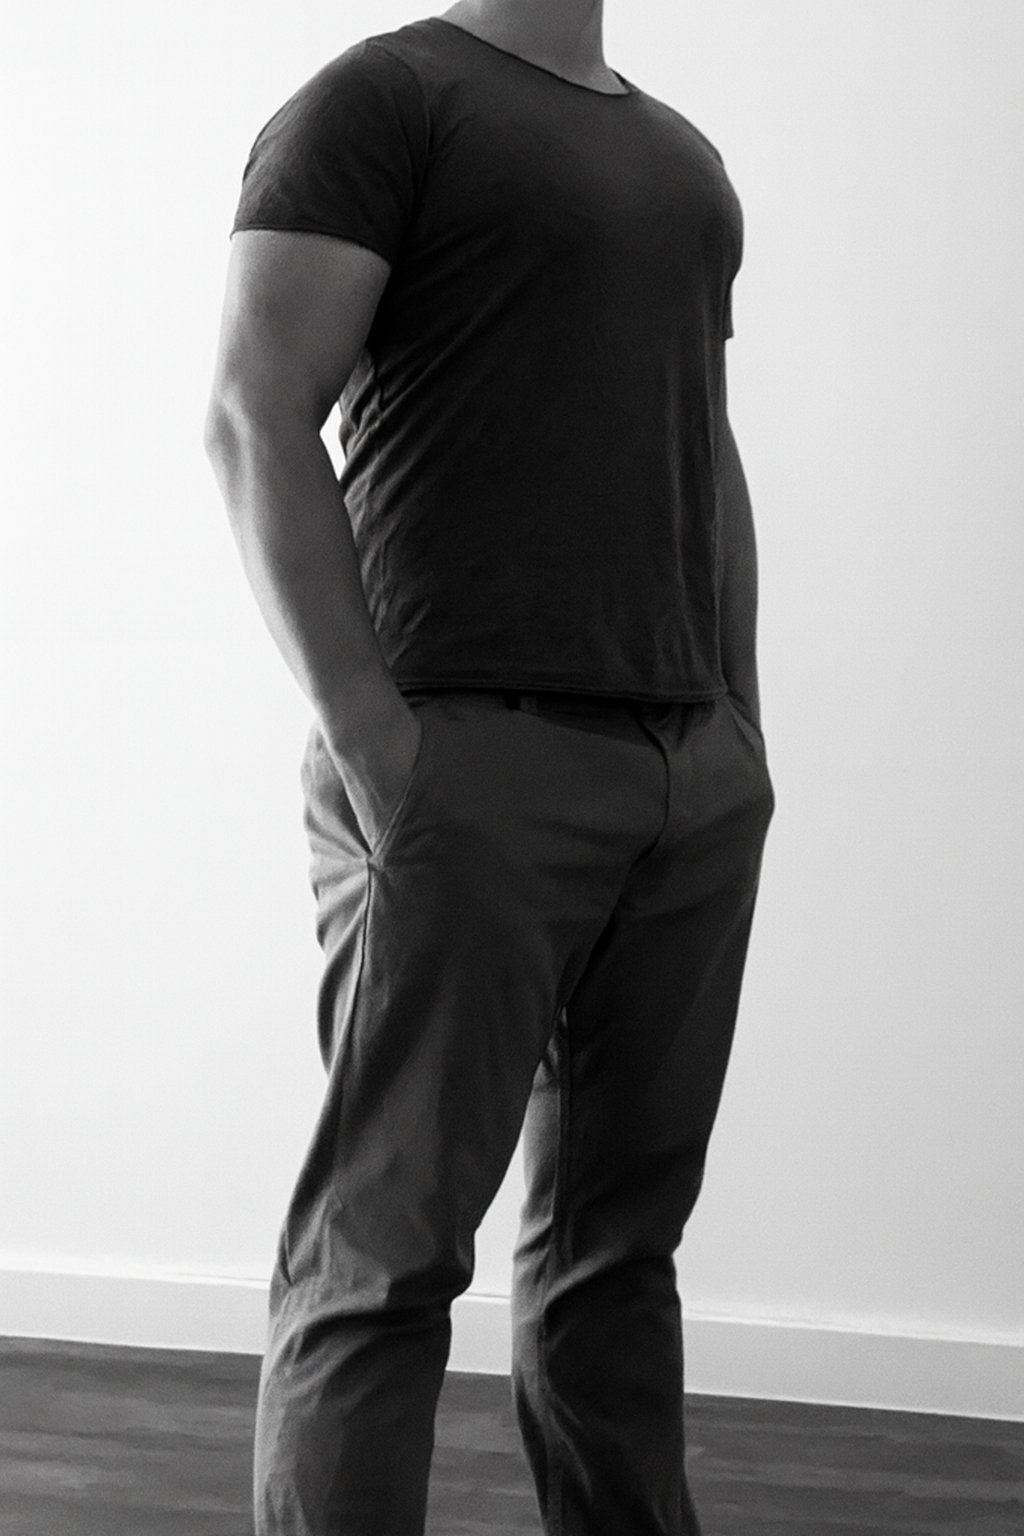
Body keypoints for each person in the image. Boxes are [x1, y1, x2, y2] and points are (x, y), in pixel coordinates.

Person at [203, 1, 775, 1531]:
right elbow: (255, 417)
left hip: (685, 772)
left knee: (618, 1251)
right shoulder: (380, 101)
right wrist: (378, 745)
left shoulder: (681, 156)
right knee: (381, 1259)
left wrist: (738, 721)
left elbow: (699, 443)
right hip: (465, 757)